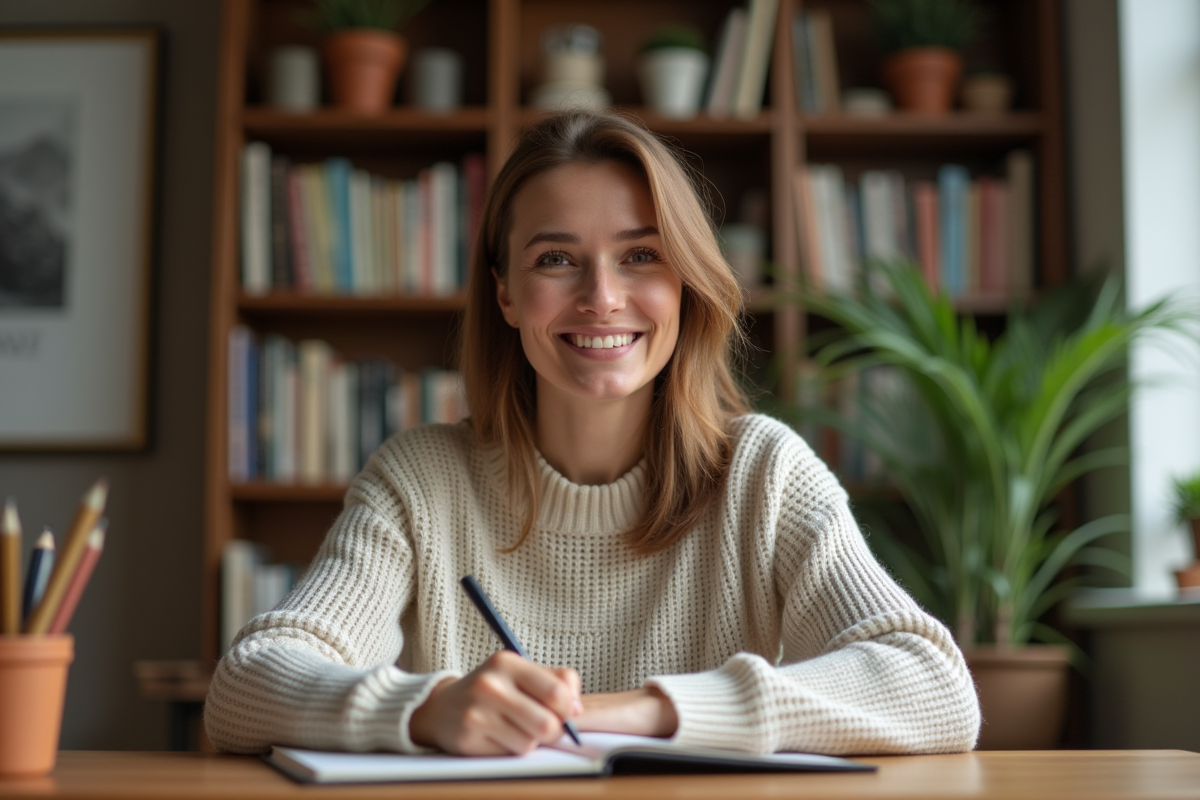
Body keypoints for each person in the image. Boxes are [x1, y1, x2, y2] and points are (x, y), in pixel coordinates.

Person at [204, 110, 980, 757]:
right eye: (556, 260)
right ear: (505, 293)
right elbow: (245, 686)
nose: (602, 298)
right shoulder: (423, 479)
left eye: (641, 255)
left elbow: (936, 690)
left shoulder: (765, 471)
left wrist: (643, 712)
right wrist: (425, 708)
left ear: (685, 283)